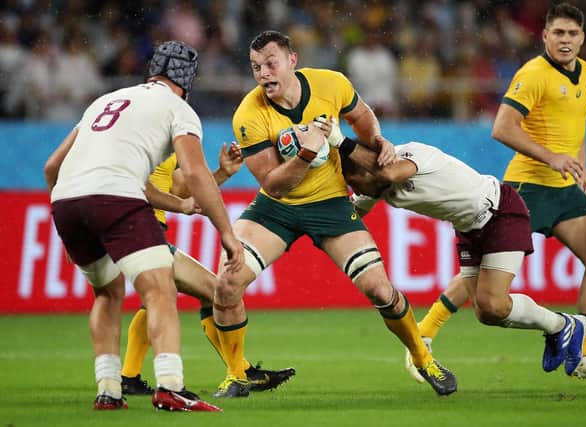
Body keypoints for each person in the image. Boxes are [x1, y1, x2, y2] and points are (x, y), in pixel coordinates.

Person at [211, 30, 456, 398]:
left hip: (331, 204)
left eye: (271, 63)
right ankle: (236, 373)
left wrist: (377, 140)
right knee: (226, 285)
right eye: (256, 67)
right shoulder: (248, 114)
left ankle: (422, 356)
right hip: (276, 209)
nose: (263, 73)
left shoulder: (331, 83)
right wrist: (307, 153)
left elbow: (361, 115)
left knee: (379, 289)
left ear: (293, 60)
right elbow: (274, 184)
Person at [414, 2, 586, 385]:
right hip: (527, 188)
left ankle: (585, 354)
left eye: (572, 34)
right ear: (545, 36)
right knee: (480, 279)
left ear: (582, 38)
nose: (565, 40)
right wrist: (551, 157)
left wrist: (581, 168)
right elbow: (502, 127)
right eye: (558, 33)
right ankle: (422, 335)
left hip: (564, 190)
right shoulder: (533, 75)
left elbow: (574, 129)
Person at [43, 40, 244, 412]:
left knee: (106, 295)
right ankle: (171, 387)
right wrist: (228, 234)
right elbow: (195, 172)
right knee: (159, 291)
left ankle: (108, 389)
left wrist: (69, 215)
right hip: (117, 200)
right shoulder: (177, 108)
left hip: (68, 203)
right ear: (186, 80)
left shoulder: (105, 101)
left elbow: (52, 167)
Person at [329, 125, 586, 383]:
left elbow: (391, 173)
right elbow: (348, 215)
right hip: (469, 228)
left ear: (366, 168)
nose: (357, 191)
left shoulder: (410, 155)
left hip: (500, 211)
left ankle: (565, 326)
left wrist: (340, 141)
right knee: (486, 314)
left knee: (494, 304)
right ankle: (561, 327)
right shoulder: (375, 185)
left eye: (354, 183)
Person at [121, 144, 296, 395]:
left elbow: (178, 188)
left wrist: (222, 174)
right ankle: (240, 372)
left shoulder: (161, 140)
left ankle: (129, 377)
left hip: (144, 231)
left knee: (180, 294)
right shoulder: (145, 136)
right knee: (211, 290)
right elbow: (139, 188)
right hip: (139, 228)